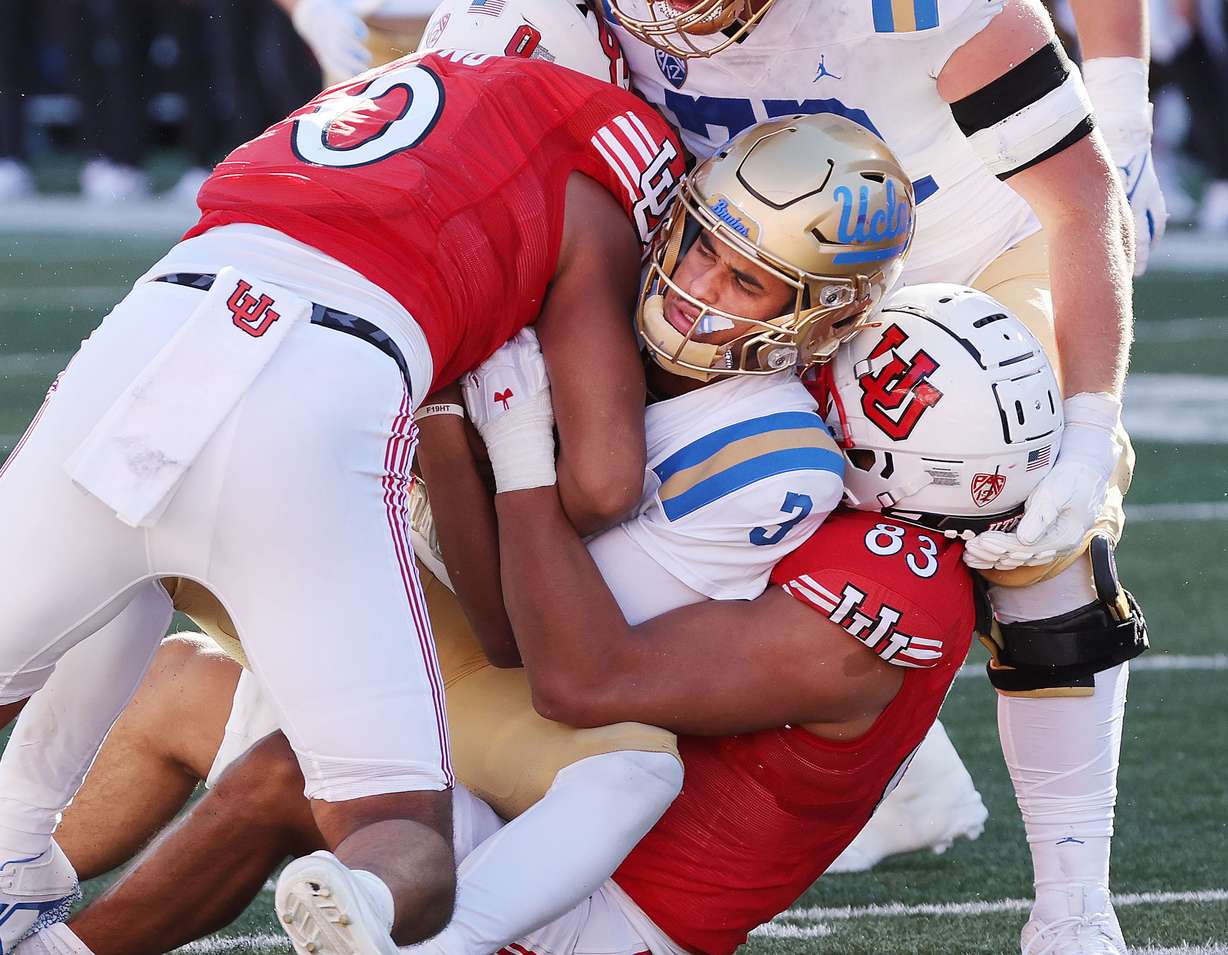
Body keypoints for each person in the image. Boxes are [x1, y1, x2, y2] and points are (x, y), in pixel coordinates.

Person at [11, 103, 912, 955]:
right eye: (701, 245)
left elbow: (526, 646)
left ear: (823, 317)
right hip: (369, 569)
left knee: (623, 769)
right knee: (160, 602)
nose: (693, 286)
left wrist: (487, 440)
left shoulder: (770, 460)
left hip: (500, 667)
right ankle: (16, 868)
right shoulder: (583, 271)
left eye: (745, 280)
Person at [18, 281, 1067, 955]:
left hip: (602, 911)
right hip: (543, 794)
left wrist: (514, 456)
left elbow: (575, 678)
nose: (827, 369)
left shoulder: (879, 594)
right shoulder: (873, 517)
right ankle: (18, 882)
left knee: (308, 767)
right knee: (188, 672)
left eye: (866, 376)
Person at [0, 16, 688, 955]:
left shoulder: (369, 93)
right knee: (403, 833)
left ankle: (14, 852)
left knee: (121, 561)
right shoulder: (604, 132)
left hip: (149, 332)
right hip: (327, 389)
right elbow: (607, 478)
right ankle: (358, 894)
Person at [600, 0, 1152, 948]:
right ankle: (914, 777)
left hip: (978, 260)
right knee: (708, 501)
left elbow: (1078, 196)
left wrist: (1091, 426)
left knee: (1031, 516)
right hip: (764, 287)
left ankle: (1074, 901)